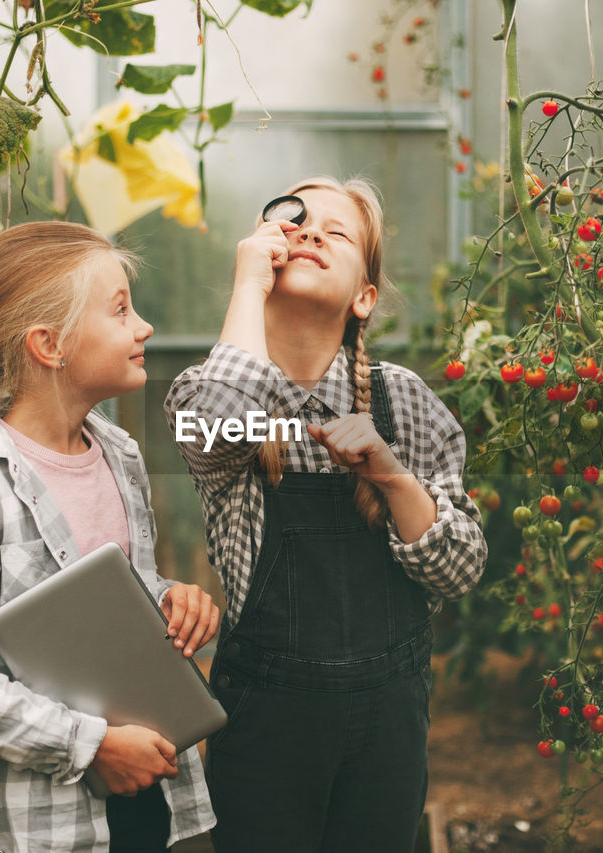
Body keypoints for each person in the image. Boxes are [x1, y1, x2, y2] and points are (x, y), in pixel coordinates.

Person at [164, 177, 488, 852]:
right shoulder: (204, 391)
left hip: (388, 724)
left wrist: (392, 476)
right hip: (267, 725)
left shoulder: (404, 401)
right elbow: (223, 420)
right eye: (291, 221)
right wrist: (247, 286)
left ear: (364, 296)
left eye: (335, 231)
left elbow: (461, 568)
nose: (310, 231)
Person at [0, 221, 219, 853]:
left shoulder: (120, 455)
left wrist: (171, 599)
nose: (144, 327)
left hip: (142, 797)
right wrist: (91, 744)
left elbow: (109, 603)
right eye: (120, 310)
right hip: (32, 827)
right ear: (49, 345)